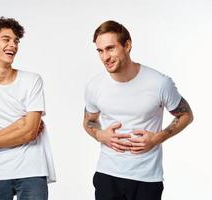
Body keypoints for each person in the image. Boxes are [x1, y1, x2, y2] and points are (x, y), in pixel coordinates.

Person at [83, 20, 193, 200]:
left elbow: (186, 114)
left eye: (110, 48)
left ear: (127, 45)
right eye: (100, 51)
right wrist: (100, 135)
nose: (105, 57)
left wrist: (157, 138)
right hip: (107, 174)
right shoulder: (94, 86)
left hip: (147, 178)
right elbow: (89, 121)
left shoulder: (159, 83)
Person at [0, 17, 55, 200]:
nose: (13, 45)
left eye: (16, 41)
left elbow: (29, 133)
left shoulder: (32, 81)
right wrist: (18, 125)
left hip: (32, 171)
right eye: (6, 39)